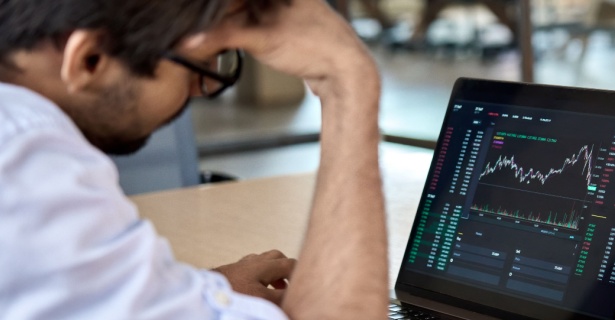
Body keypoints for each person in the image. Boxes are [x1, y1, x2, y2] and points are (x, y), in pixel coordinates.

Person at [0, 0, 387, 319]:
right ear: (89, 59)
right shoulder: (29, 168)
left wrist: (190, 292)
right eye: (198, 64)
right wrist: (346, 80)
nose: (201, 91)